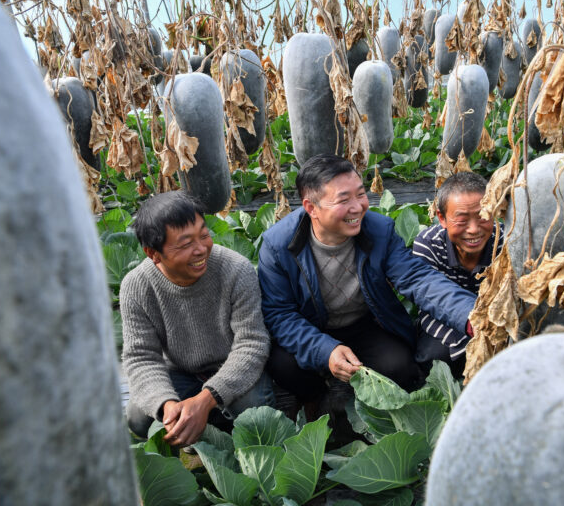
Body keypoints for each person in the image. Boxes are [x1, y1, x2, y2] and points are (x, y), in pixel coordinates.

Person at [258, 154, 477, 410]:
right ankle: (317, 398)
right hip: (309, 326)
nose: (358, 207)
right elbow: (280, 315)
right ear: (311, 208)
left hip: (363, 324)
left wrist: (470, 316)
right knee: (283, 366)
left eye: (360, 194)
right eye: (343, 199)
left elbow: (418, 279)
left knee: (400, 368)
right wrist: (326, 350)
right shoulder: (278, 246)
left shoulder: (379, 230)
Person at [121, 191, 273, 446]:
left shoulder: (235, 269)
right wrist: (167, 406)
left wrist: (206, 400)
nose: (201, 249)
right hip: (179, 371)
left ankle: (212, 419)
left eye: (204, 235)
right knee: (139, 417)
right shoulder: (136, 286)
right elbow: (141, 357)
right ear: (153, 253)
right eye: (184, 244)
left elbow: (252, 343)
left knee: (255, 412)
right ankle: (200, 426)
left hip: (231, 366)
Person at [412, 172, 503, 378]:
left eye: (483, 216)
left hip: (496, 325)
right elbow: (429, 305)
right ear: (442, 218)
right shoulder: (428, 244)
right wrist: (472, 345)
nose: (473, 229)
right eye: (461, 220)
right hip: (445, 323)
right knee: (433, 359)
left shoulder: (506, 243)